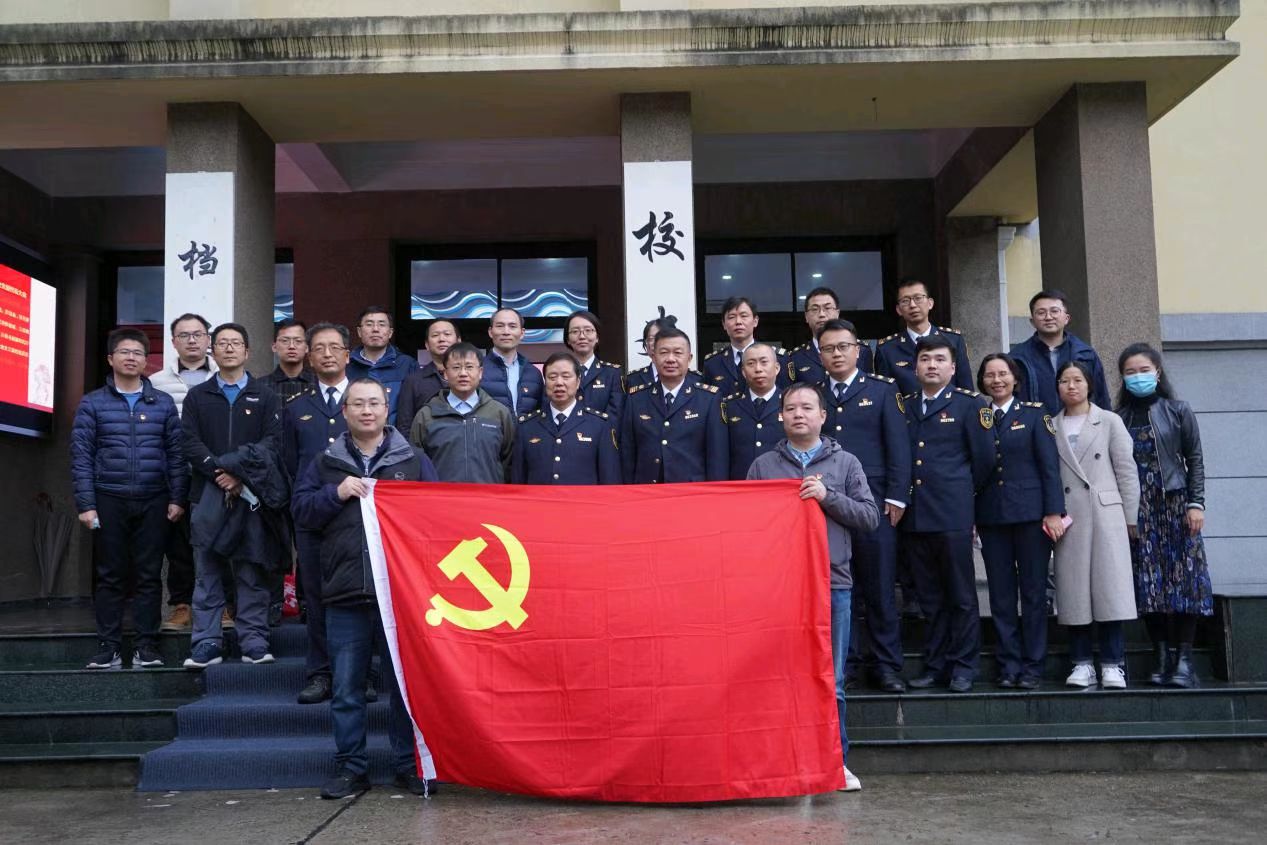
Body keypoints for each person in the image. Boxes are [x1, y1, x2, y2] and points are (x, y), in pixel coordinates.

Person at [291, 378, 438, 800]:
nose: (367, 411)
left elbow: (435, 517)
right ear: (345, 411)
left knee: (404, 689)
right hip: (344, 592)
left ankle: (408, 766)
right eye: (358, 404)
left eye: (374, 403)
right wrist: (334, 494)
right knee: (346, 688)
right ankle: (351, 768)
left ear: (387, 409)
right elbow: (300, 511)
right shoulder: (325, 462)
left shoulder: (412, 460)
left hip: (400, 595)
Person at [747, 382, 879, 793]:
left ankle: (836, 762)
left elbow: (869, 517)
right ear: (780, 416)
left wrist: (827, 496)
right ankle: (786, 760)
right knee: (781, 679)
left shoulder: (845, 463)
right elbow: (748, 526)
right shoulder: (764, 466)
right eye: (790, 408)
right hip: (780, 589)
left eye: (806, 407)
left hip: (832, 584)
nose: (798, 414)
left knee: (831, 681)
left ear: (823, 415)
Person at [71, 328, 187, 669]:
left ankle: (146, 646)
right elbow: (81, 456)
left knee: (149, 575)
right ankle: (108, 646)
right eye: (124, 352)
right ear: (111, 359)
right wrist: (86, 504)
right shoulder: (93, 403)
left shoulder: (162, 403)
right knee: (110, 574)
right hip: (108, 496)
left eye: (138, 352)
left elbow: (176, 455)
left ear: (146, 360)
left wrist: (177, 497)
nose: (131, 357)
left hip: (154, 498)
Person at [181, 323, 286, 669]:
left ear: (247, 351)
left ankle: (253, 640)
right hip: (207, 493)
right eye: (222, 343)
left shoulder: (265, 396)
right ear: (212, 350)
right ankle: (206, 642)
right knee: (207, 570)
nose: (228, 348)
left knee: (251, 570)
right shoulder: (198, 396)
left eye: (235, 343)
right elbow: (189, 442)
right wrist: (219, 473)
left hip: (251, 494)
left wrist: (238, 473)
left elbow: (271, 443)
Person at [816, 319, 910, 693]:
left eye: (843, 346)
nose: (837, 354)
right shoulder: (813, 393)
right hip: (828, 508)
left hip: (875, 505)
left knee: (880, 586)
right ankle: (848, 662)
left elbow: (898, 445)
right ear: (820, 355)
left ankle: (886, 665)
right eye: (829, 348)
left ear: (858, 350)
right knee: (841, 588)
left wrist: (897, 496)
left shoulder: (882, 390)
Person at [900, 335, 994, 693]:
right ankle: (936, 664)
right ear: (915, 366)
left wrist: (961, 496)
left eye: (940, 359)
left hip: (953, 514)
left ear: (953, 368)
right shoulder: (906, 404)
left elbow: (984, 461)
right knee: (929, 598)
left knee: (961, 595)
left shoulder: (969, 405)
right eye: (925, 359)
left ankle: (964, 667)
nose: (932, 365)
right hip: (916, 516)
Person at [1116, 343, 1212, 688]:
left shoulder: (1178, 410)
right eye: (1130, 372)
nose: (1138, 377)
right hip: (1138, 510)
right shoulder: (1119, 418)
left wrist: (1196, 503)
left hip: (1175, 505)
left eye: (1144, 370)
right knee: (1148, 583)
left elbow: (1194, 459)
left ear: (1157, 372)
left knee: (1185, 580)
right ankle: (1160, 656)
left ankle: (1184, 660)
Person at [974, 353, 1066, 690]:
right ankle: (1008, 664)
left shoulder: (1034, 414)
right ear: (982, 381)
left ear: (1015, 379)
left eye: (1003, 374)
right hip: (991, 516)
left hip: (1030, 515)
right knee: (1000, 596)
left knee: (1032, 592)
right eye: (990, 375)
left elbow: (1049, 466)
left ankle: (1033, 665)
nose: (997, 380)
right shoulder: (978, 415)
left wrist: (1053, 511)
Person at [1051, 360, 1140, 690]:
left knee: (1109, 590)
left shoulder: (1110, 421)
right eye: (1064, 380)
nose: (1071, 386)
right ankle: (1082, 663)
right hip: (1068, 517)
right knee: (1074, 591)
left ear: (1090, 385)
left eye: (1078, 380)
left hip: (1106, 514)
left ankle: (1113, 664)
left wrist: (1131, 517)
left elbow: (1126, 471)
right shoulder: (1051, 424)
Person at [282, 322, 351, 705]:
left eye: (334, 347)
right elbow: (289, 464)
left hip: (355, 517)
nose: (327, 354)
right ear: (309, 357)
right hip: (312, 517)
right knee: (316, 597)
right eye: (319, 348)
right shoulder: (296, 408)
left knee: (359, 598)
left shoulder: (365, 399)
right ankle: (320, 673)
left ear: (347, 355)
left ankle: (358, 673)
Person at [150, 312, 217, 633]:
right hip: (174, 476)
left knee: (219, 541)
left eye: (198, 334)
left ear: (208, 340)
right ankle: (181, 605)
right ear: (173, 342)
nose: (192, 340)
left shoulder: (224, 376)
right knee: (177, 545)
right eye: (184, 335)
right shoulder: (156, 382)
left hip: (215, 475)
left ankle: (222, 604)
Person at [621, 327, 727, 484]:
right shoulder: (636, 398)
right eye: (664, 353)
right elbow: (627, 454)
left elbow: (717, 455)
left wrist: (715, 492)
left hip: (692, 491)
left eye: (678, 353)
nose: (670, 359)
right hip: (647, 490)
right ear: (653, 357)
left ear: (689, 358)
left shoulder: (708, 399)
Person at [410, 341, 515, 483]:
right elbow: (416, 463)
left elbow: (509, 461)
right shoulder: (426, 415)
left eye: (469, 367)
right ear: (445, 373)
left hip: (488, 495)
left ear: (480, 372)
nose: (463, 373)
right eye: (456, 367)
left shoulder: (499, 413)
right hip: (441, 495)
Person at [512, 352, 620, 485]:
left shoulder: (599, 425)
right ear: (545, 383)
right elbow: (518, 480)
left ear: (578, 382)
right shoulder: (527, 426)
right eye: (552, 377)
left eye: (566, 376)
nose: (559, 383)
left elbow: (610, 479)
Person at [1011, 290, 1111, 414]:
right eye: (1041, 313)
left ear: (1066, 318)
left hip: (1081, 423)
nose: (1048, 317)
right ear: (1032, 321)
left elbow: (1101, 397)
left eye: (1054, 311)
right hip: (1034, 425)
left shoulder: (1086, 354)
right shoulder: (1017, 357)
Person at [875, 278, 972, 396]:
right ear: (898, 310)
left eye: (918, 298)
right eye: (905, 301)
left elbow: (966, 389)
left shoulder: (953, 340)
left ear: (930, 303)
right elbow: (884, 396)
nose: (912, 305)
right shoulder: (887, 349)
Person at [721, 342, 784, 480]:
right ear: (743, 372)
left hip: (780, 482)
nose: (758, 369)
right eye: (751, 364)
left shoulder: (790, 403)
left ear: (777, 368)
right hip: (740, 483)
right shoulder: (729, 406)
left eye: (764, 362)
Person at [346, 306, 418, 426]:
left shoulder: (407, 365)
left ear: (390, 332)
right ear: (359, 332)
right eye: (369, 324)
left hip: (396, 435)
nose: (375, 329)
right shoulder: (347, 366)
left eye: (381, 324)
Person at [702, 297, 788, 397]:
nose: (738, 321)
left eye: (744, 316)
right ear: (724, 324)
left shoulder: (778, 357)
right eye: (731, 317)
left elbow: (787, 395)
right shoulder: (712, 363)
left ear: (755, 321)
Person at [788, 287, 874, 384]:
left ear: (837, 313)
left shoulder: (862, 350)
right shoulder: (795, 357)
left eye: (827, 308)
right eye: (815, 309)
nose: (821, 314)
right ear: (806, 317)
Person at [395, 319, 459, 433]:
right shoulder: (413, 381)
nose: (441, 339)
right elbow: (404, 426)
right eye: (435, 335)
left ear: (458, 341)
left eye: (447, 334)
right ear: (427, 345)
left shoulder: (472, 377)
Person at [482, 307, 544, 416]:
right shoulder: (478, 369)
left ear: (522, 333)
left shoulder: (534, 373)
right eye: (500, 326)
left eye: (512, 326)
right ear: (490, 332)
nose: (506, 332)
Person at [564, 310, 624, 421]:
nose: (582, 336)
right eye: (575, 331)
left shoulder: (612, 373)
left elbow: (615, 415)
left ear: (597, 337)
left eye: (588, 330)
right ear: (568, 339)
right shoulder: (559, 373)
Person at [625, 310, 703, 392]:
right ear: (645, 343)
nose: (657, 342)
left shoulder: (697, 378)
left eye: (663, 337)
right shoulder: (632, 379)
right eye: (652, 338)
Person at [263, 318, 316, 404]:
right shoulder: (260, 386)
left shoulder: (319, 384)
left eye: (298, 341)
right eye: (285, 341)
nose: (291, 346)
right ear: (274, 347)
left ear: (307, 347)